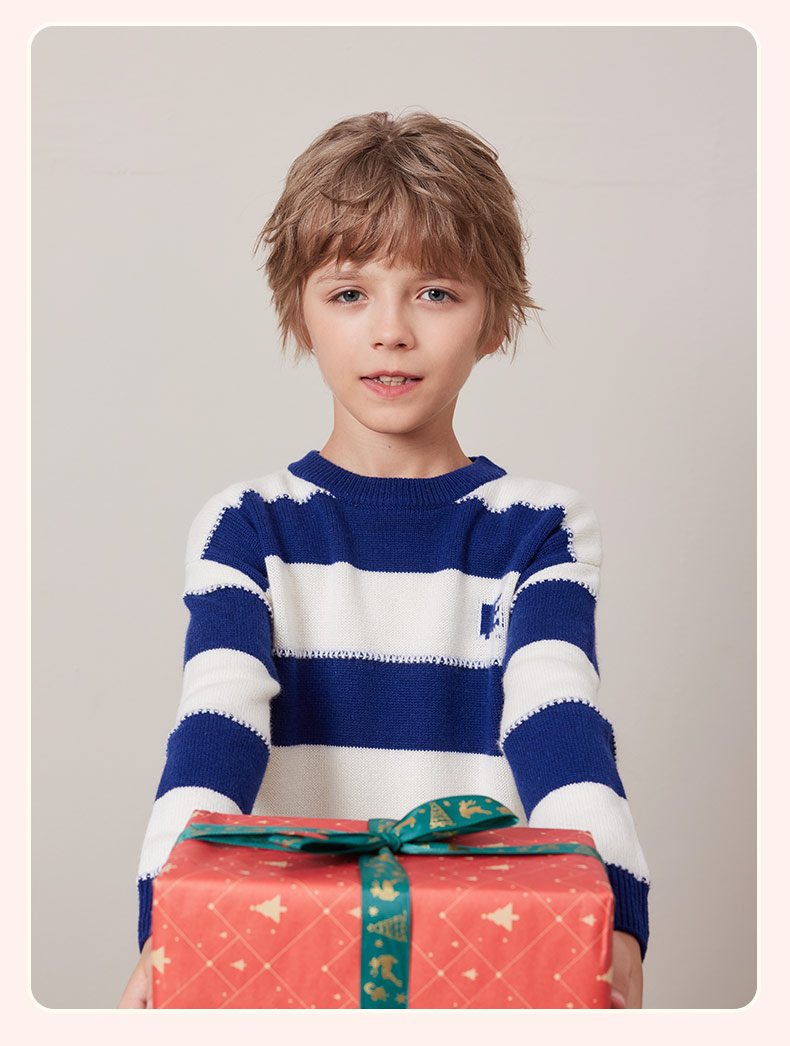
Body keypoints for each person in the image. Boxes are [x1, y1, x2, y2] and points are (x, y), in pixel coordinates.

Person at [119, 111, 650, 1009]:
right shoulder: (246, 527)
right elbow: (215, 731)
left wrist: (618, 919)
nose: (391, 331)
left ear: (494, 320)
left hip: (486, 963)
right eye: (348, 293)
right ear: (299, 311)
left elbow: (559, 721)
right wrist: (165, 922)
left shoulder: (541, 528)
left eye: (436, 293)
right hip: (280, 959)